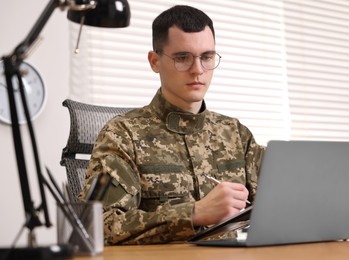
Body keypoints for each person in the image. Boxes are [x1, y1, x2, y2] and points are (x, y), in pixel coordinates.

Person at [80, 5, 265, 245]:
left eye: (207, 57)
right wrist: (193, 213)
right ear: (155, 61)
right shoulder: (122, 135)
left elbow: (283, 207)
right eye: (182, 58)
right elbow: (96, 225)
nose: (198, 70)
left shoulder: (236, 135)